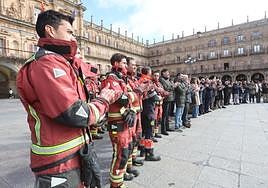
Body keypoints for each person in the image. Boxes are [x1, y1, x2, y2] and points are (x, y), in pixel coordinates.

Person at [16, 10, 122, 188]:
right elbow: (74, 113)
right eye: (69, 32)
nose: (74, 38)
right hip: (58, 161)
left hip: (74, 154)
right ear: (50, 30)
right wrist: (103, 101)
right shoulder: (46, 64)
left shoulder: (61, 62)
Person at [102, 53, 138, 188]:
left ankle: (119, 179)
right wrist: (133, 95)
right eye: (123, 63)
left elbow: (127, 97)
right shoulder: (111, 79)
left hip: (124, 120)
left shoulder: (121, 79)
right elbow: (121, 99)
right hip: (116, 122)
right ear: (116, 64)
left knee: (126, 151)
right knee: (120, 153)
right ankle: (115, 184)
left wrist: (130, 98)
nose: (125, 65)